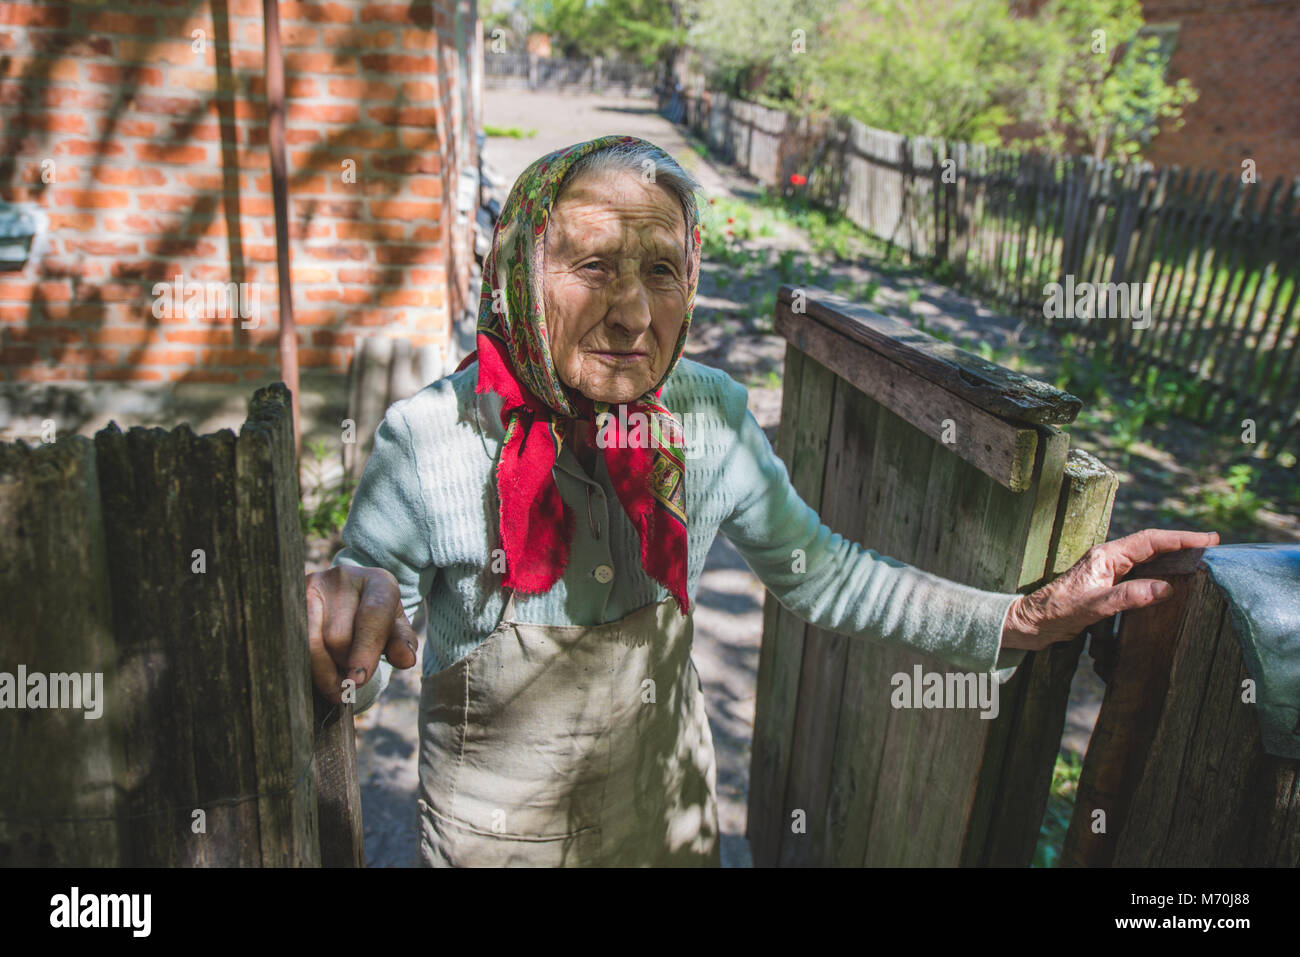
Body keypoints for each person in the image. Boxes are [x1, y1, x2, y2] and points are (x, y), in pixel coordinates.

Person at [304, 134, 1218, 867]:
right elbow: (368, 665)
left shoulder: (708, 415)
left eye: (661, 270)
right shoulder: (428, 440)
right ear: (517, 271)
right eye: (590, 264)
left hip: (668, 830)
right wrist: (344, 637)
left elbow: (824, 575)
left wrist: (1022, 615)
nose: (632, 311)